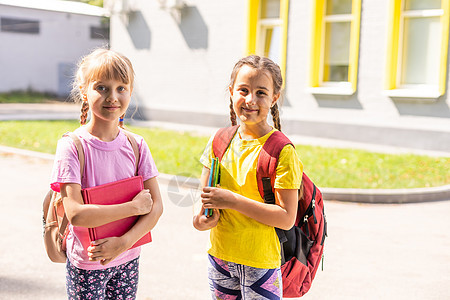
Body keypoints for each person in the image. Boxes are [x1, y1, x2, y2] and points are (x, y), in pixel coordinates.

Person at [50, 48, 163, 299]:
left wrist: (124, 243)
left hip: (129, 256)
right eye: (102, 88)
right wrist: (133, 208)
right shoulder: (72, 146)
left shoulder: (137, 145)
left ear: (130, 92)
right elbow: (77, 214)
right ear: (84, 90)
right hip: (88, 264)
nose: (113, 97)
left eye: (121, 88)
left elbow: (156, 208)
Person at [193, 55, 303, 299]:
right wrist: (200, 219)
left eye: (261, 92)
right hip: (220, 259)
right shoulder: (219, 141)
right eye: (243, 90)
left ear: (275, 98)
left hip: (260, 264)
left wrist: (232, 201)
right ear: (231, 92)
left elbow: (286, 218)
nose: (250, 100)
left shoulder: (282, 151)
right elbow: (204, 201)